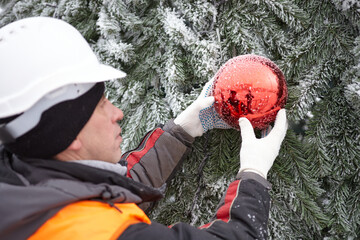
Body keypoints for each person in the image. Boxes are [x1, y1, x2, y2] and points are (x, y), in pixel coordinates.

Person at [0, 17, 288, 240]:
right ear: (69, 133)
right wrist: (253, 174)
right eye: (101, 105)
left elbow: (111, 190)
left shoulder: (22, 184)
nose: (118, 113)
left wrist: (180, 132)